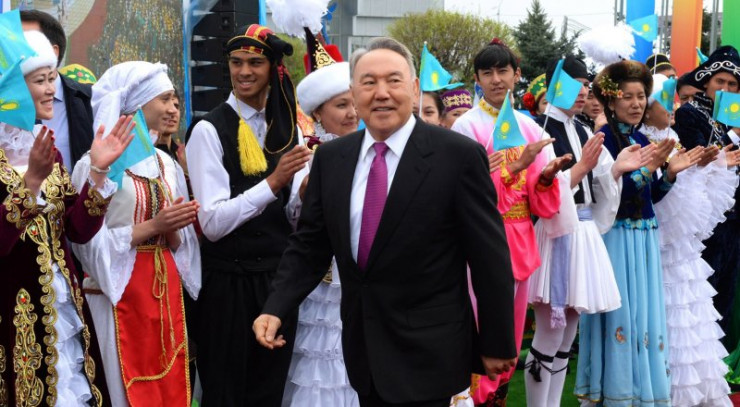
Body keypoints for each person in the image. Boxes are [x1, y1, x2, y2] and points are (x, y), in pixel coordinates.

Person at [253, 36, 517, 407]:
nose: (381, 93)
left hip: (429, 352)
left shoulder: (457, 156)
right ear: (353, 93)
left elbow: (489, 258)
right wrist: (276, 306)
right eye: (369, 82)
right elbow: (310, 245)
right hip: (362, 351)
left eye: (393, 81)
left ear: (414, 88)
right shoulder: (332, 159)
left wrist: (497, 341)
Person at [0, 28, 133, 406]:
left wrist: (99, 173)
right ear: (11, 89)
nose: (50, 90)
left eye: (52, 78)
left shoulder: (46, 150)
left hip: (63, 310)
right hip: (13, 316)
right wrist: (30, 183)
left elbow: (76, 229)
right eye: (40, 80)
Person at [185, 24, 312, 406]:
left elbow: (292, 218)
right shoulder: (208, 130)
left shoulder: (289, 129)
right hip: (228, 285)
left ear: (273, 68)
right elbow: (212, 224)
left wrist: (305, 193)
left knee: (270, 391)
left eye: (254, 63)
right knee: (226, 393)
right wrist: (273, 182)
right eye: (236, 62)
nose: (243, 72)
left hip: (275, 284)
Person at [70, 62, 201, 407]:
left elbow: (179, 243)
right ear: (137, 105)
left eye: (174, 100)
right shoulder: (94, 165)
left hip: (162, 290)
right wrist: (154, 226)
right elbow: (86, 242)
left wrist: (172, 227)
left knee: (168, 382)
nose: (172, 108)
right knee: (120, 385)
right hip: (116, 292)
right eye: (164, 99)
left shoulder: (165, 163)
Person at [450, 38, 570, 405]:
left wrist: (546, 175)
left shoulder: (529, 127)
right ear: (476, 79)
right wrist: (516, 166)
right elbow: (461, 193)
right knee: (480, 320)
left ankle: (497, 397)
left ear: (517, 75)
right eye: (487, 72)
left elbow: (540, 199)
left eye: (503, 71)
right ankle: (472, 398)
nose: (496, 79)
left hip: (520, 237)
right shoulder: (466, 127)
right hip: (481, 238)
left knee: (512, 331)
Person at [576, 60, 701, 406]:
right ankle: (615, 391)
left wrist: (669, 175)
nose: (636, 104)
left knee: (642, 315)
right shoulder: (604, 142)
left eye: (641, 96)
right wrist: (649, 169)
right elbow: (613, 196)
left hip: (644, 237)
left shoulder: (643, 138)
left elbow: (650, 197)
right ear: (611, 100)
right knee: (620, 314)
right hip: (616, 236)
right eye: (628, 97)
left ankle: (640, 389)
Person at [527, 56, 648, 407]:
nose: (584, 92)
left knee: (566, 337)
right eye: (576, 84)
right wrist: (580, 168)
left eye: (586, 85)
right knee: (549, 335)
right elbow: (539, 191)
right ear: (555, 85)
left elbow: (596, 186)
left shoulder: (581, 130)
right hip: (554, 234)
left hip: (582, 233)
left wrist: (617, 169)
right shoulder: (537, 130)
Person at [642, 73, 739, 406]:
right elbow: (662, 198)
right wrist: (680, 171)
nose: (673, 107)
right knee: (669, 321)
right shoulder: (643, 142)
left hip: (685, 250)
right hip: (662, 247)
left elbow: (697, 203)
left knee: (693, 322)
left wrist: (714, 167)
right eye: (664, 100)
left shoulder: (673, 139)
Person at [282, 33, 359, 407]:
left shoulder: (373, 150)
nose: (352, 113)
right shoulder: (307, 156)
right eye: (341, 105)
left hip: (364, 274)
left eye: (354, 102)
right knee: (323, 360)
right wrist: (304, 192)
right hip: (323, 279)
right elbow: (293, 219)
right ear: (317, 113)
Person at [673, 46, 740, 350]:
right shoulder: (690, 113)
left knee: (726, 294)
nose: (725, 89)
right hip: (704, 222)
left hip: (734, 221)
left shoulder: (733, 117)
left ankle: (720, 367)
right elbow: (700, 157)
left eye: (732, 84)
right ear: (706, 82)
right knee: (704, 295)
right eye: (719, 82)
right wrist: (734, 135)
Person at [20, 10, 95, 171]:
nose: (50, 90)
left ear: (53, 52)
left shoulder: (90, 98)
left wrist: (99, 169)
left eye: (27, 40)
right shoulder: (7, 126)